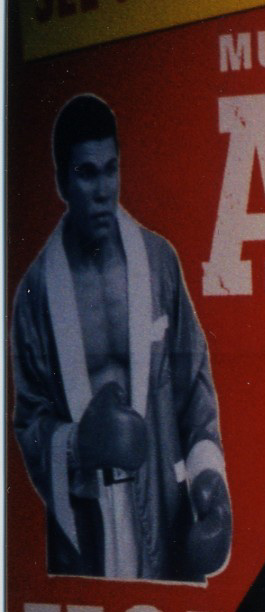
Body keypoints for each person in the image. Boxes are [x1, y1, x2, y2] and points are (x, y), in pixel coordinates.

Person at [12, 93, 232, 581]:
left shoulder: (159, 263)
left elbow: (194, 390)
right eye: (86, 173)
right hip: (86, 528)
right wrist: (77, 444)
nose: (102, 190)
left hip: (163, 512)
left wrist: (210, 481)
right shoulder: (37, 293)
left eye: (110, 170)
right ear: (62, 181)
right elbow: (29, 422)